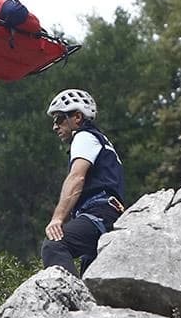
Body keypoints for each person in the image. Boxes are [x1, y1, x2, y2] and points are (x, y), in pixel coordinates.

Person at [41, 88, 127, 276]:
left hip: (99, 212)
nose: (55, 126)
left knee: (54, 246)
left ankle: (67, 303)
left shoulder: (84, 136)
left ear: (77, 117)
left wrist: (57, 219)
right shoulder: (102, 142)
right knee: (90, 281)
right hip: (111, 214)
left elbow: (77, 177)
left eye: (59, 119)